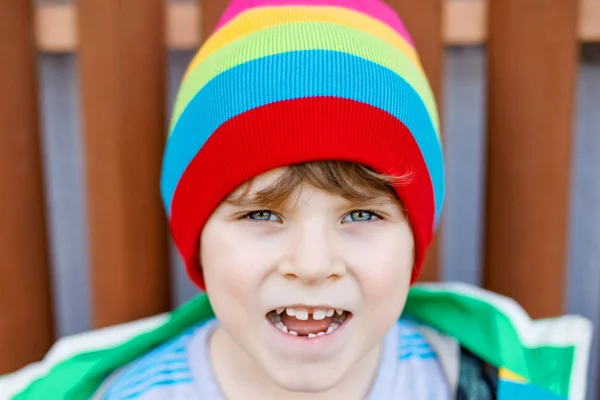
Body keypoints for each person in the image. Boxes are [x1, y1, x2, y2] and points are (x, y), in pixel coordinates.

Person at [1, 1, 591, 399]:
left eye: (360, 213)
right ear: (196, 239)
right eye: (262, 213)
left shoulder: (468, 380)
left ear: (417, 237)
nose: (311, 265)